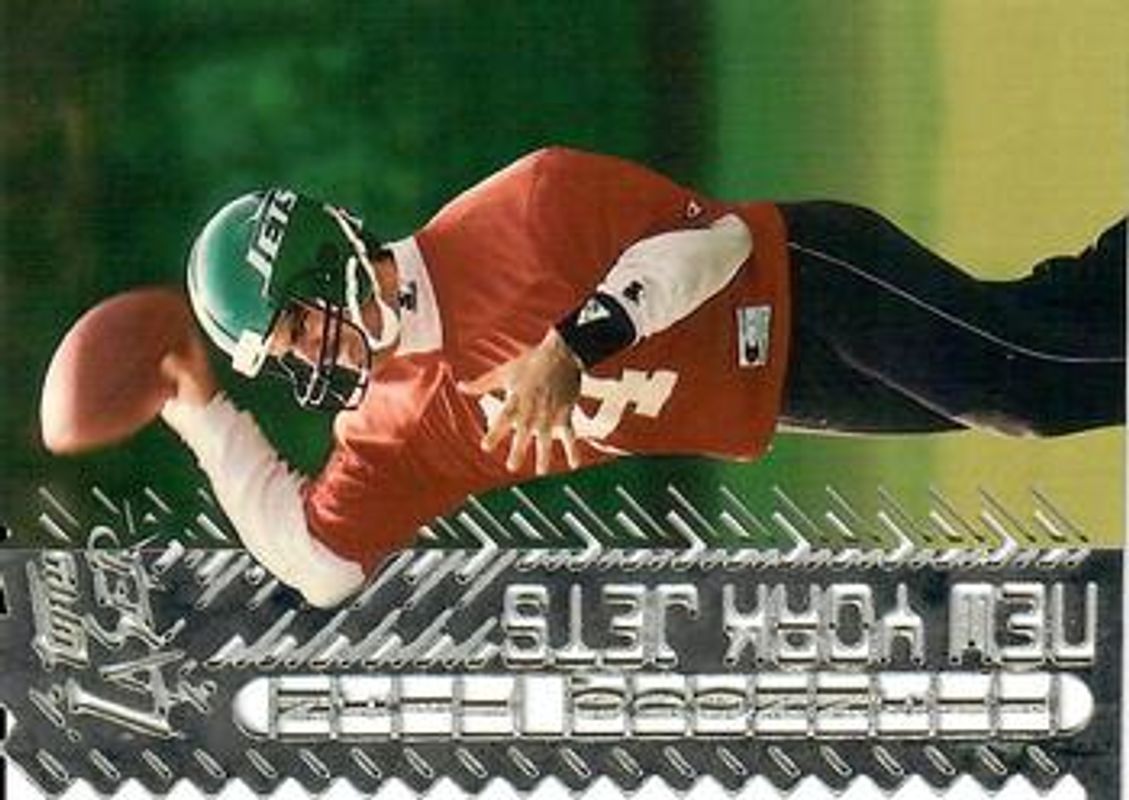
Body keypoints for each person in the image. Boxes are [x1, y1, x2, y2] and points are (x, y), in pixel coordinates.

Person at [161, 147, 1126, 607]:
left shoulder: (520, 211)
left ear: (325, 259)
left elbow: (720, 242)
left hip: (808, 280)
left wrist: (571, 346)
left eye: (296, 326)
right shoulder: (397, 420)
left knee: (1029, 392)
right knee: (1061, 324)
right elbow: (319, 566)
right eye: (283, 356)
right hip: (780, 395)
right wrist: (206, 421)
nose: (308, 356)